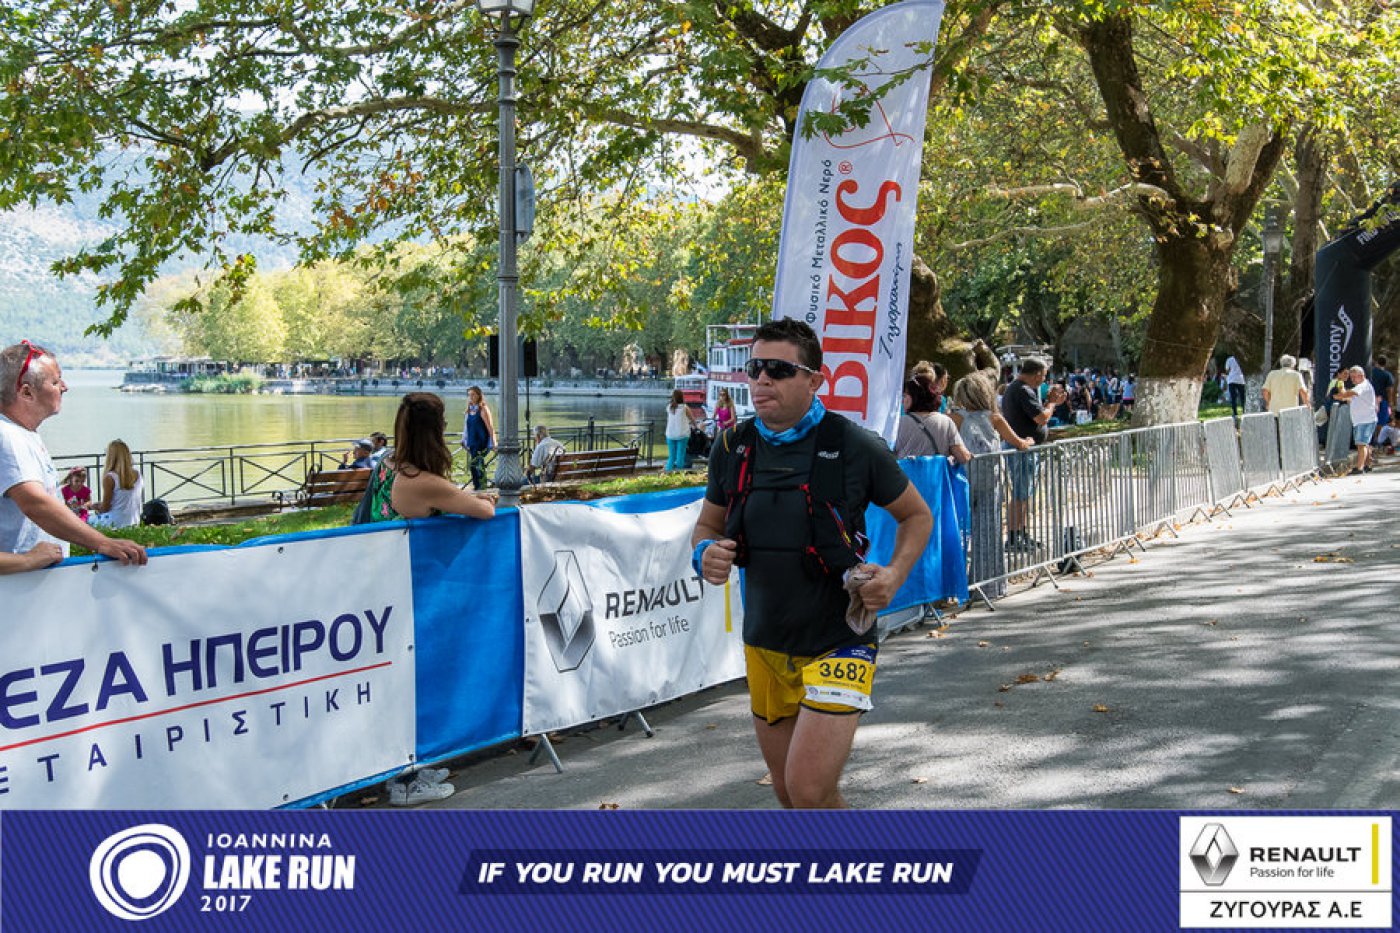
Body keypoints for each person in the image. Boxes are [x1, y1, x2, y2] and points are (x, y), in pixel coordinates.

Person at [690, 318, 932, 809]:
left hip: (838, 640)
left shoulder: (855, 445)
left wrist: (894, 574)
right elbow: (706, 528)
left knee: (808, 788)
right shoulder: (732, 446)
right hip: (765, 644)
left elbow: (917, 516)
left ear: (815, 380)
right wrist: (704, 555)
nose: (762, 380)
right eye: (755, 368)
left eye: (778, 370)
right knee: (790, 794)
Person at [0, 341, 146, 564]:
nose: (64, 387)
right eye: (55, 381)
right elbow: (34, 502)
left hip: (36, 578)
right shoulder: (7, 435)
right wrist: (103, 542)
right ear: (27, 392)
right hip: (20, 583)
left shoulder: (21, 433)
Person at [950, 372, 1033, 600]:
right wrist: (1027, 442)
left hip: (963, 480)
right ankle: (990, 585)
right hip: (990, 481)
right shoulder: (995, 418)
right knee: (989, 533)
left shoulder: (955, 419)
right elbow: (1019, 443)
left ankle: (958, 586)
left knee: (958, 533)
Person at [367, 393, 497, 523]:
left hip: (379, 535)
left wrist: (467, 497)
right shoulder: (422, 481)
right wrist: (484, 500)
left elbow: (437, 496)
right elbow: (487, 511)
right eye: (443, 424)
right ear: (433, 434)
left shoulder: (386, 463)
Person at [999, 358, 1066, 552]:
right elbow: (1041, 418)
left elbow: (1033, 415)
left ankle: (1022, 533)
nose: (1043, 380)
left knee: (1025, 494)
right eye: (1043, 376)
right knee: (1020, 494)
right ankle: (1014, 536)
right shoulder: (1022, 390)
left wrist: (1048, 403)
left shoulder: (1019, 389)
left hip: (1024, 449)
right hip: (1021, 450)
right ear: (1037, 374)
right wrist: (1052, 403)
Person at [894, 375, 970, 463]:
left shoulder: (897, 424)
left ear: (914, 397)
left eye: (905, 396)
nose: (903, 400)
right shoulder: (946, 422)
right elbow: (963, 457)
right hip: (937, 471)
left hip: (905, 471)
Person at [89, 440, 145, 529]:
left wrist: (95, 506)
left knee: (86, 521)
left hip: (114, 523)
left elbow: (105, 508)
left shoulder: (110, 477)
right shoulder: (138, 475)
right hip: (133, 522)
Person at [1336, 365, 1378, 473]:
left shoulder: (1362, 386)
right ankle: (1367, 465)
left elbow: (1344, 395)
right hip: (1362, 420)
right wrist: (1343, 395)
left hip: (1365, 420)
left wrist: (1340, 383)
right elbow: (1348, 398)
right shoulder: (1360, 386)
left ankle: (1359, 468)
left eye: (1355, 377)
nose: (1352, 379)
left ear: (1362, 375)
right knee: (1364, 444)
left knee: (1361, 445)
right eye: (1351, 377)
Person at [461, 386, 496, 490]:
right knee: (474, 466)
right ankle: (478, 488)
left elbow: (490, 427)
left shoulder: (483, 409)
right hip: (472, 442)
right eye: (469, 395)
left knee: (477, 466)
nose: (471, 397)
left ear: (479, 395)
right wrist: (463, 440)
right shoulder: (469, 409)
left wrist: (494, 443)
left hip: (481, 442)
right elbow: (466, 428)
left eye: (473, 394)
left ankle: (481, 488)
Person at [664, 388, 698, 471]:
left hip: (670, 434)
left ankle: (668, 472)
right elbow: (692, 420)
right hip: (682, 434)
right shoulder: (684, 408)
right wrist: (695, 426)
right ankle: (678, 473)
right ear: (682, 397)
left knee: (672, 456)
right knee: (680, 456)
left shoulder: (669, 407)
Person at [1370, 356, 1395, 442]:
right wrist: (1390, 402)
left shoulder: (1370, 372)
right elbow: (1390, 390)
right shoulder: (1387, 375)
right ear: (1385, 364)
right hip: (1382, 400)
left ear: (1377, 362)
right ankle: (1378, 441)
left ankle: (1370, 440)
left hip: (1370, 400)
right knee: (1381, 421)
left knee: (1370, 420)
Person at [1224, 353, 1246, 421]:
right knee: (1242, 397)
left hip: (1232, 379)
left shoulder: (1229, 359)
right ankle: (1244, 410)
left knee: (1233, 397)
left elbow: (1227, 370)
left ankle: (1235, 413)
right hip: (1240, 380)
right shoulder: (1243, 359)